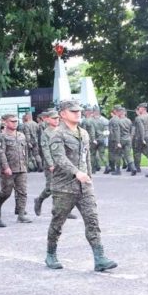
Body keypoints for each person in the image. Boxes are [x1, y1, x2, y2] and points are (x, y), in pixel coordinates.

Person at [45, 100, 117, 272]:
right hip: (64, 187)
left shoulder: (83, 133)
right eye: (73, 111)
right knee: (58, 222)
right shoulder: (57, 135)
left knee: (92, 220)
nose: (78, 113)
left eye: (78, 111)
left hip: (84, 187)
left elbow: (87, 158)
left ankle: (99, 258)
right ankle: (51, 254)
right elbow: (60, 159)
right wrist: (76, 172)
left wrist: (89, 177)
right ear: (62, 114)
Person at [0, 113, 32, 224]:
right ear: (5, 123)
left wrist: (27, 164)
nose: (15, 123)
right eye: (12, 121)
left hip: (21, 168)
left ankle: (21, 215)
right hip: (8, 170)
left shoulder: (21, 135)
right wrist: (5, 167)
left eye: (16, 121)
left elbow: (25, 151)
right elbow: (0, 153)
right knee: (6, 192)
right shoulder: (2, 136)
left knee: (23, 192)